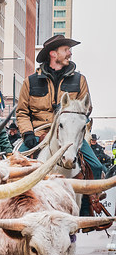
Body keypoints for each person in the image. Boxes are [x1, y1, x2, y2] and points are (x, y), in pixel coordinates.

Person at [15, 34, 102, 178]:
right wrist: (28, 133)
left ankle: (93, 198)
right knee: (13, 165)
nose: (70, 53)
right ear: (53, 54)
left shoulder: (80, 80)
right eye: (66, 49)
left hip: (70, 135)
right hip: (37, 134)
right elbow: (22, 112)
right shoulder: (29, 82)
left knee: (96, 166)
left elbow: (86, 111)